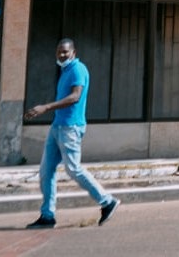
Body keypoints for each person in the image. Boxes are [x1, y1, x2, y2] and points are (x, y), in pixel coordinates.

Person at [24, 39, 118, 229]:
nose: (62, 55)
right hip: (58, 126)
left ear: (73, 52)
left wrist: (46, 107)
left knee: (73, 168)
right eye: (59, 52)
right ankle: (47, 215)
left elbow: (75, 97)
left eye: (65, 52)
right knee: (46, 171)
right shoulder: (65, 71)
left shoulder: (77, 69)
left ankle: (107, 201)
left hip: (70, 127)